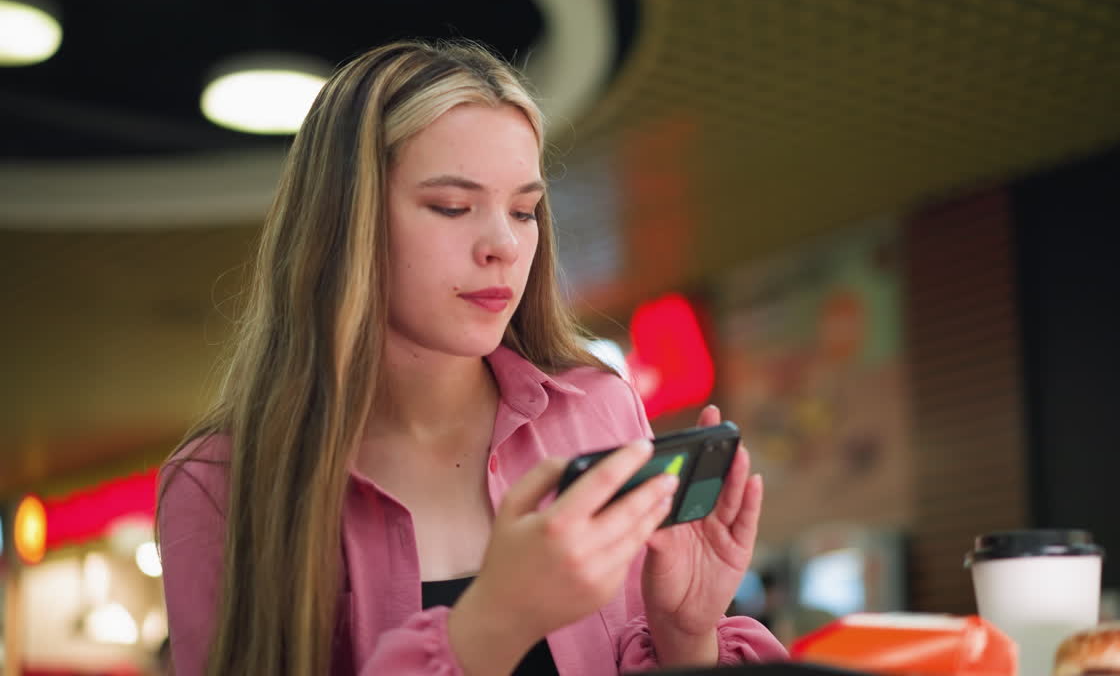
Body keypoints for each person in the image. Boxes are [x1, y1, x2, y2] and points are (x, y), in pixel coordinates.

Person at [156, 40, 786, 676]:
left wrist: (686, 637)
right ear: (344, 221)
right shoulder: (220, 486)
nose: (504, 245)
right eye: (452, 207)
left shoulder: (598, 409)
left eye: (523, 209)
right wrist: (495, 624)